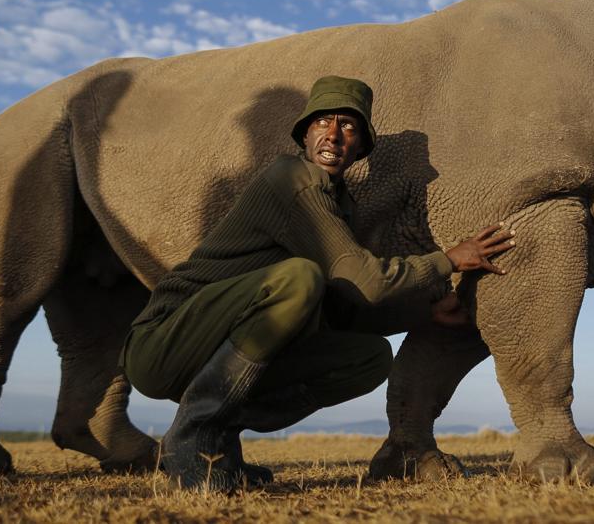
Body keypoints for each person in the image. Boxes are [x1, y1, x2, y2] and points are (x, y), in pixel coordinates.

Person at [121, 75, 514, 492]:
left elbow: (347, 304)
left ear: (360, 146)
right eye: (323, 121)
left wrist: (426, 311)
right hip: (161, 343)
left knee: (368, 358)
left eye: (348, 126)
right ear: (305, 134)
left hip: (210, 354)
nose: (333, 134)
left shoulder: (338, 204)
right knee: (299, 279)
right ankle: (190, 435)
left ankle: (216, 441)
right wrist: (448, 260)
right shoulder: (291, 178)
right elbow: (364, 277)